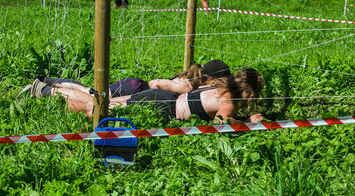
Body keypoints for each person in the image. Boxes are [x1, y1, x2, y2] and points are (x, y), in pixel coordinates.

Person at [30, 68, 265, 124]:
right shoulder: (229, 101)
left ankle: (48, 89)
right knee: (96, 109)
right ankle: (47, 91)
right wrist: (247, 123)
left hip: (159, 97)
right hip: (162, 108)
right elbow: (219, 126)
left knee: (100, 103)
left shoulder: (215, 86)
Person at [28, 60, 230, 98]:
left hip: (134, 84)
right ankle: (43, 89)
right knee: (95, 96)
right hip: (135, 88)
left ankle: (47, 80)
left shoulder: (189, 78)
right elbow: (160, 83)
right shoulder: (187, 86)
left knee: (89, 91)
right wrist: (147, 94)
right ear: (211, 79)